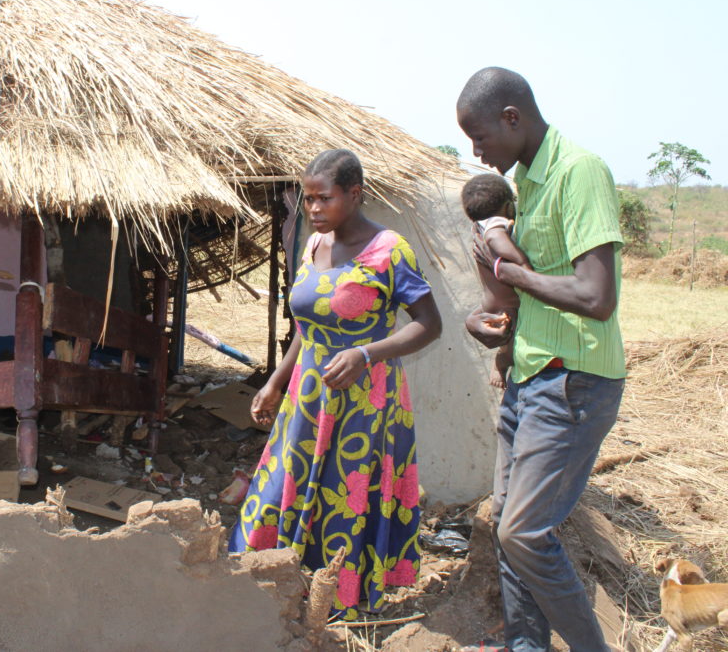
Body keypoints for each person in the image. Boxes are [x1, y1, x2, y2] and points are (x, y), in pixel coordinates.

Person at [227, 149, 442, 621]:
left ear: (354, 194)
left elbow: (429, 325)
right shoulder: (312, 247)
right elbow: (309, 327)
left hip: (366, 400)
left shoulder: (389, 250)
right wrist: (275, 382)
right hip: (308, 395)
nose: (314, 209)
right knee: (282, 483)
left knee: (346, 494)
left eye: (324, 198)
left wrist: (367, 353)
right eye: (307, 200)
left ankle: (336, 598)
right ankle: (276, 579)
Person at [456, 67, 626, 652]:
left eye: (480, 138)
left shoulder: (578, 171)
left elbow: (595, 297)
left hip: (574, 380)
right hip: (529, 377)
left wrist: (512, 272)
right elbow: (522, 295)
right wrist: (493, 328)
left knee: (525, 532)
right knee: (508, 531)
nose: (476, 152)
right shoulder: (521, 185)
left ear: (513, 117)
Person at [460, 173, 532, 388]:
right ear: (509, 206)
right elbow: (496, 239)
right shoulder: (494, 223)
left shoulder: (479, 226)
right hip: (504, 303)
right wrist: (523, 262)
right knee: (510, 341)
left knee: (508, 337)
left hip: (492, 301)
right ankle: (501, 362)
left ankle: (503, 359)